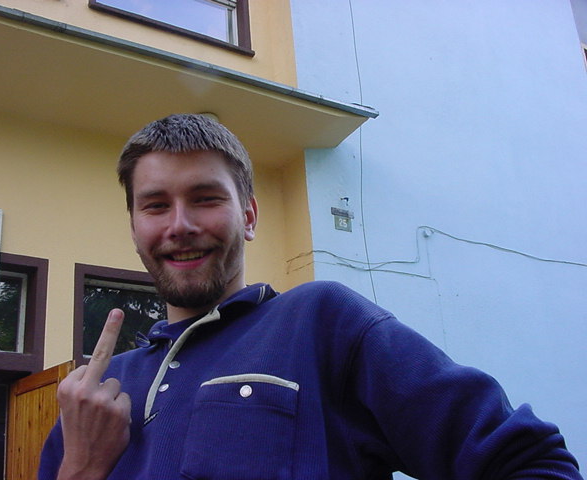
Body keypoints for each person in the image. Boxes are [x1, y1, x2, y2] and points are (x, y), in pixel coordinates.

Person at [39, 114, 583, 480]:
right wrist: (81, 468)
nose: (179, 225)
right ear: (134, 225)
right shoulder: (92, 399)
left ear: (249, 216)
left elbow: (532, 463)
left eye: (205, 199)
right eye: (155, 205)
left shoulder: (323, 322)